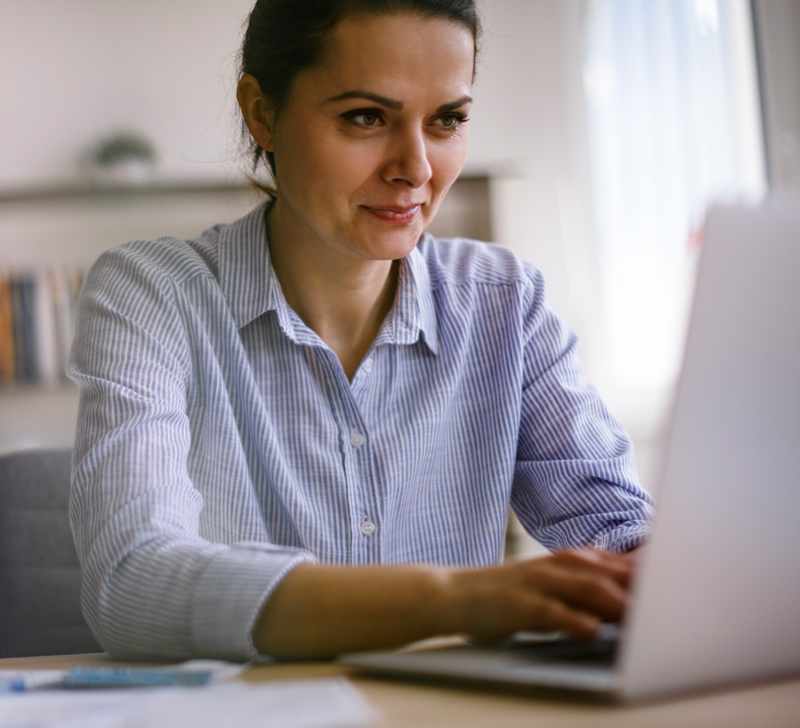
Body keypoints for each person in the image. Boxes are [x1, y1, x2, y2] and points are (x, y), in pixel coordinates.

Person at [68, 0, 654, 662]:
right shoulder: (153, 295)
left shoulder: (506, 303)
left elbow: (624, 533)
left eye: (446, 120)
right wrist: (451, 600)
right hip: (247, 722)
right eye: (366, 117)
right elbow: (132, 583)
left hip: (453, 720)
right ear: (262, 113)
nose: (417, 168)